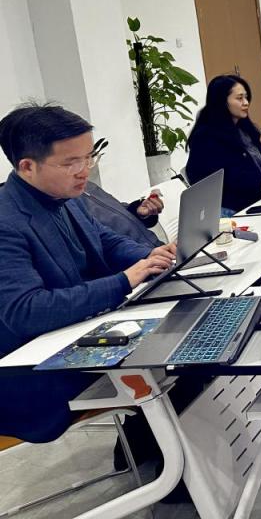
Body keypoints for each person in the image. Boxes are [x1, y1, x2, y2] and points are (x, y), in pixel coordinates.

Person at [0, 104, 176, 442]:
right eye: (71, 163)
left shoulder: (69, 196)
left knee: (186, 337)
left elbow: (105, 241)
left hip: (82, 334)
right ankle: (164, 457)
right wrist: (124, 280)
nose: (84, 171)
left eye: (88, 158)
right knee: (177, 358)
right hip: (34, 372)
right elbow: (27, 311)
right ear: (27, 166)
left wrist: (152, 257)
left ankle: (156, 449)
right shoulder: (7, 221)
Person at [185, 74, 261, 214]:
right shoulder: (207, 137)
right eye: (239, 98)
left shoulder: (244, 129)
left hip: (258, 198)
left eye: (246, 97)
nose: (246, 103)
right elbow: (236, 180)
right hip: (231, 208)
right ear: (222, 101)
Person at [82, 180, 164, 247]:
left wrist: (141, 211)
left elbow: (120, 209)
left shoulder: (85, 183)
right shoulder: (74, 207)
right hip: (137, 257)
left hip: (157, 248)